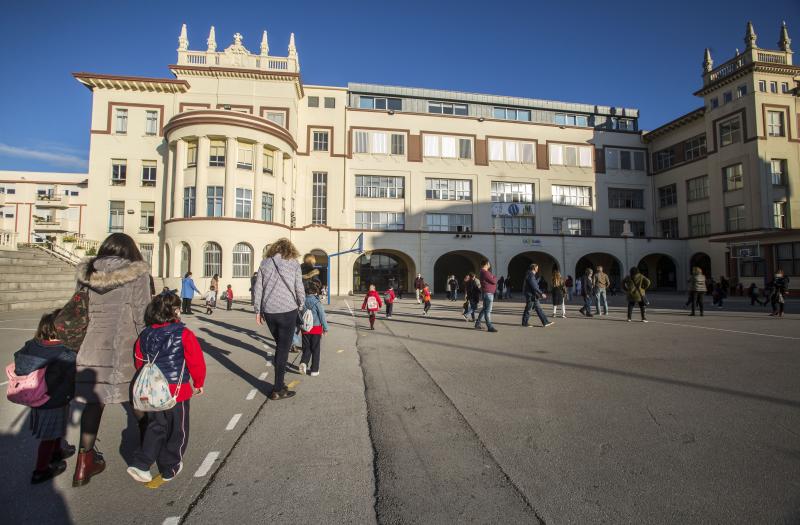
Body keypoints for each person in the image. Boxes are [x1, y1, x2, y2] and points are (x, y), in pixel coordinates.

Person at [73, 233, 152, 486]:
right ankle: (146, 452)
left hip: (91, 348)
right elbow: (142, 316)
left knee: (93, 404)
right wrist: (150, 348)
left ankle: (83, 465)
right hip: (123, 349)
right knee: (137, 400)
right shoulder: (137, 273)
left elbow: (80, 310)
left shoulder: (86, 274)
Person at [126, 292, 206, 484]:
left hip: (153, 390)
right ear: (176, 311)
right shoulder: (184, 334)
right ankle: (170, 465)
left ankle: (142, 463)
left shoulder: (145, 333)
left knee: (156, 426)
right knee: (178, 430)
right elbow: (196, 361)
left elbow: (138, 359)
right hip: (176, 391)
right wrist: (199, 382)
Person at [13, 310, 76, 484]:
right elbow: (72, 376)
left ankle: (57, 452)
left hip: (39, 399)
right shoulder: (64, 352)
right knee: (48, 438)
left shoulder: (32, 345)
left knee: (55, 431)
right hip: (55, 401)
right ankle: (40, 470)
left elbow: (18, 358)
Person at [254, 238, 305, 401]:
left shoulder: (264, 263)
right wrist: (301, 304)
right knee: (283, 349)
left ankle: (280, 383)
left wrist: (258, 310)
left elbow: (258, 288)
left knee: (280, 347)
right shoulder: (294, 263)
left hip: (269, 311)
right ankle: (277, 388)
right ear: (290, 249)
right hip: (288, 310)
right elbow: (299, 287)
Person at [298, 280, 329, 377]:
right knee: (315, 349)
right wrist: (325, 328)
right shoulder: (317, 302)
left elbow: (299, 314)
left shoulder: (302, 301)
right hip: (316, 329)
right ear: (315, 290)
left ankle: (304, 362)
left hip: (305, 329)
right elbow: (322, 316)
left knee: (306, 348)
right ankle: (314, 370)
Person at [522, 263, 553, 328]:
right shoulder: (531, 275)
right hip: (531, 295)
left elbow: (534, 284)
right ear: (534, 268)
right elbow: (534, 286)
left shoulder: (531, 275)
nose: (538, 269)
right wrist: (541, 293)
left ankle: (545, 322)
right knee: (528, 309)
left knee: (539, 309)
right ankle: (524, 323)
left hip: (533, 295)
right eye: (537, 268)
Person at [475, 259, 498, 332]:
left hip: (487, 293)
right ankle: (490, 326)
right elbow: (494, 281)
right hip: (488, 293)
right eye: (488, 263)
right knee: (488, 311)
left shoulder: (483, 272)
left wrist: (492, 277)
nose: (489, 265)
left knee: (485, 309)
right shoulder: (485, 272)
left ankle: (478, 323)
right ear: (486, 264)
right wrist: (494, 277)